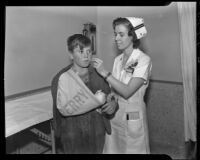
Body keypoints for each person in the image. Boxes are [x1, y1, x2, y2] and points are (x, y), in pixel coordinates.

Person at [92, 17, 152, 154]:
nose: (116, 38)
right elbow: (115, 90)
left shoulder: (143, 60)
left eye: (121, 34)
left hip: (133, 115)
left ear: (133, 36)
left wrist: (104, 73)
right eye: (115, 34)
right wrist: (109, 100)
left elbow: (127, 91)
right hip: (116, 115)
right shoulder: (117, 60)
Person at [51, 34, 118, 154]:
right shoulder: (61, 78)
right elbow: (58, 110)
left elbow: (110, 97)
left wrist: (113, 105)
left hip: (96, 131)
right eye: (81, 51)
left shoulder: (99, 75)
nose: (86, 56)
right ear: (71, 55)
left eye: (89, 51)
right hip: (72, 134)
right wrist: (59, 134)